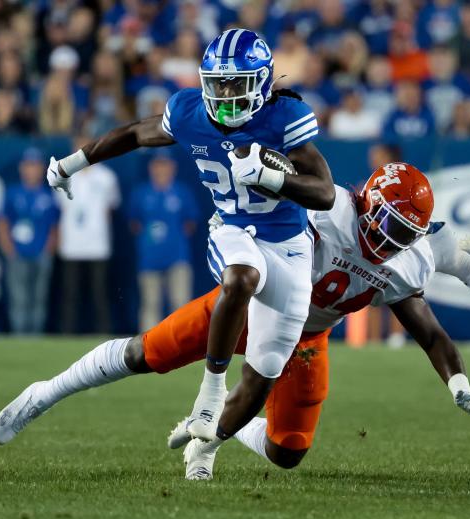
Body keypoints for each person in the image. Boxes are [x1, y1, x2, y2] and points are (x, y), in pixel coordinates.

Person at [0, 162, 470, 483]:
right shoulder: (327, 210)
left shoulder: (405, 263)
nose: (392, 242)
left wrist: (458, 383)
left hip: (307, 335)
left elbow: (430, 332)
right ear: (368, 205)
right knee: (143, 354)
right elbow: (276, 187)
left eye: (405, 234)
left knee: (288, 452)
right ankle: (47, 391)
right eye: (389, 226)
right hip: (251, 303)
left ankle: (214, 435)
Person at [40, 29, 336, 456]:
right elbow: (133, 134)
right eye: (219, 84)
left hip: (288, 244)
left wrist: (274, 179)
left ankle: (207, 444)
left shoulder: (285, 117)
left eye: (238, 83)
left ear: (263, 82)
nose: (227, 95)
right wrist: (72, 162)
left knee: (265, 374)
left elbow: (324, 192)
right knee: (241, 277)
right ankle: (210, 392)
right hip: (232, 226)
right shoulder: (187, 111)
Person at [56, 135, 120, 334]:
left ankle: (103, 335)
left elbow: (111, 208)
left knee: (100, 294)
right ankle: (67, 335)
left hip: (97, 245)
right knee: (70, 295)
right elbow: (60, 209)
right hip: (71, 245)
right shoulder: (63, 174)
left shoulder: (106, 177)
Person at [128, 150, 198, 331]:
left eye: (165, 165)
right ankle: (147, 347)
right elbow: (134, 223)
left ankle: (182, 343)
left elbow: (190, 223)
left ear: (172, 167)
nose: (161, 169)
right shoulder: (141, 193)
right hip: (149, 259)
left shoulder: (181, 192)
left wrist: (173, 239)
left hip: (177, 257)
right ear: (152, 167)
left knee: (180, 302)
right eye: (158, 165)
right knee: (150, 304)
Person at [0, 148, 59, 335]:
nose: (32, 170)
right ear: (22, 168)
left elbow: (55, 227)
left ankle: (35, 337)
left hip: (41, 253)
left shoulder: (49, 195)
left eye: (36, 165)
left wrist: (49, 250)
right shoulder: (12, 193)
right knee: (19, 298)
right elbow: (2, 223)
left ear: (42, 169)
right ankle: (20, 338)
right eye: (29, 165)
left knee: (39, 298)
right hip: (18, 253)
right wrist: (9, 249)